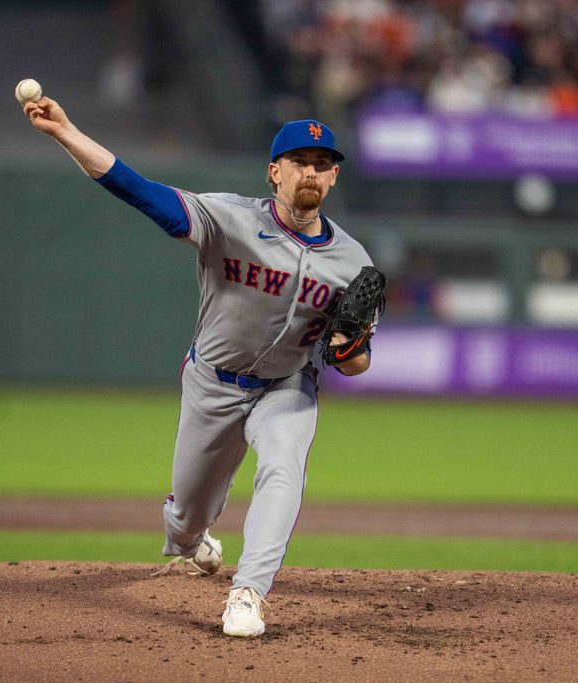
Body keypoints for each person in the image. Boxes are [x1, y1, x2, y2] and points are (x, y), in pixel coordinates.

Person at [19, 96, 376, 637]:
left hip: (287, 385)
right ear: (274, 172)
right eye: (300, 161)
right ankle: (193, 542)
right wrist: (66, 132)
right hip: (212, 383)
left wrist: (351, 351)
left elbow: (356, 365)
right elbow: (137, 190)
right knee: (186, 519)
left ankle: (248, 593)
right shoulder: (227, 218)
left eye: (322, 163)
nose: (311, 171)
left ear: (333, 178)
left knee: (283, 463)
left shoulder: (354, 262)